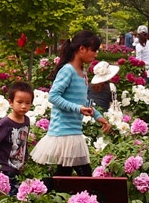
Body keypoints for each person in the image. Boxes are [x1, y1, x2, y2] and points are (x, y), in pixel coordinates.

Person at [31, 30, 110, 177]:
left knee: (64, 177)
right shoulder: (68, 70)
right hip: (64, 132)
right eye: (94, 50)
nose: (95, 54)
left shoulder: (83, 73)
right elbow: (53, 96)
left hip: (72, 133)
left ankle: (43, 195)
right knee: (84, 178)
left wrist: (97, 116)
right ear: (81, 49)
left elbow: (83, 101)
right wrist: (78, 109)